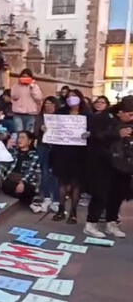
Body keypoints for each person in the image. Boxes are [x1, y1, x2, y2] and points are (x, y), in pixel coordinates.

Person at [83, 96, 133, 238]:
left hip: (123, 164)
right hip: (103, 162)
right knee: (101, 194)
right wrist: (117, 134)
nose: (131, 118)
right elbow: (96, 136)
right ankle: (91, 223)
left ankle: (112, 223)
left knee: (117, 194)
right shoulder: (104, 118)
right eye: (129, 115)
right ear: (120, 112)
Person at [50, 89, 91, 223]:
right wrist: (46, 129)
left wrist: (89, 134)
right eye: (69, 96)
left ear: (80, 98)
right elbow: (52, 128)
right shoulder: (60, 112)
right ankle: (61, 210)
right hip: (62, 151)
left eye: (74, 96)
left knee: (76, 183)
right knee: (62, 181)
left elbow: (94, 131)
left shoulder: (87, 114)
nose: (71, 98)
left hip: (79, 153)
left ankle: (73, 212)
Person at [32, 96, 61, 213]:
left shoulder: (60, 117)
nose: (49, 106)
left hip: (57, 148)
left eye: (51, 104)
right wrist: (40, 129)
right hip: (43, 146)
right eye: (47, 104)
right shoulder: (40, 117)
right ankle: (47, 197)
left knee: (55, 173)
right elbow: (35, 131)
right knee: (45, 172)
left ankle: (56, 200)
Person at [0, 131, 40, 203]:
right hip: (12, 179)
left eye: (23, 138)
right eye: (19, 137)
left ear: (29, 141)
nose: (20, 140)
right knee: (6, 185)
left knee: (29, 188)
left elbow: (30, 171)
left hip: (26, 180)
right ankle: (28, 200)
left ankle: (25, 198)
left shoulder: (34, 155)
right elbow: (3, 166)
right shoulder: (13, 151)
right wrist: (7, 149)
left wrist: (22, 182)